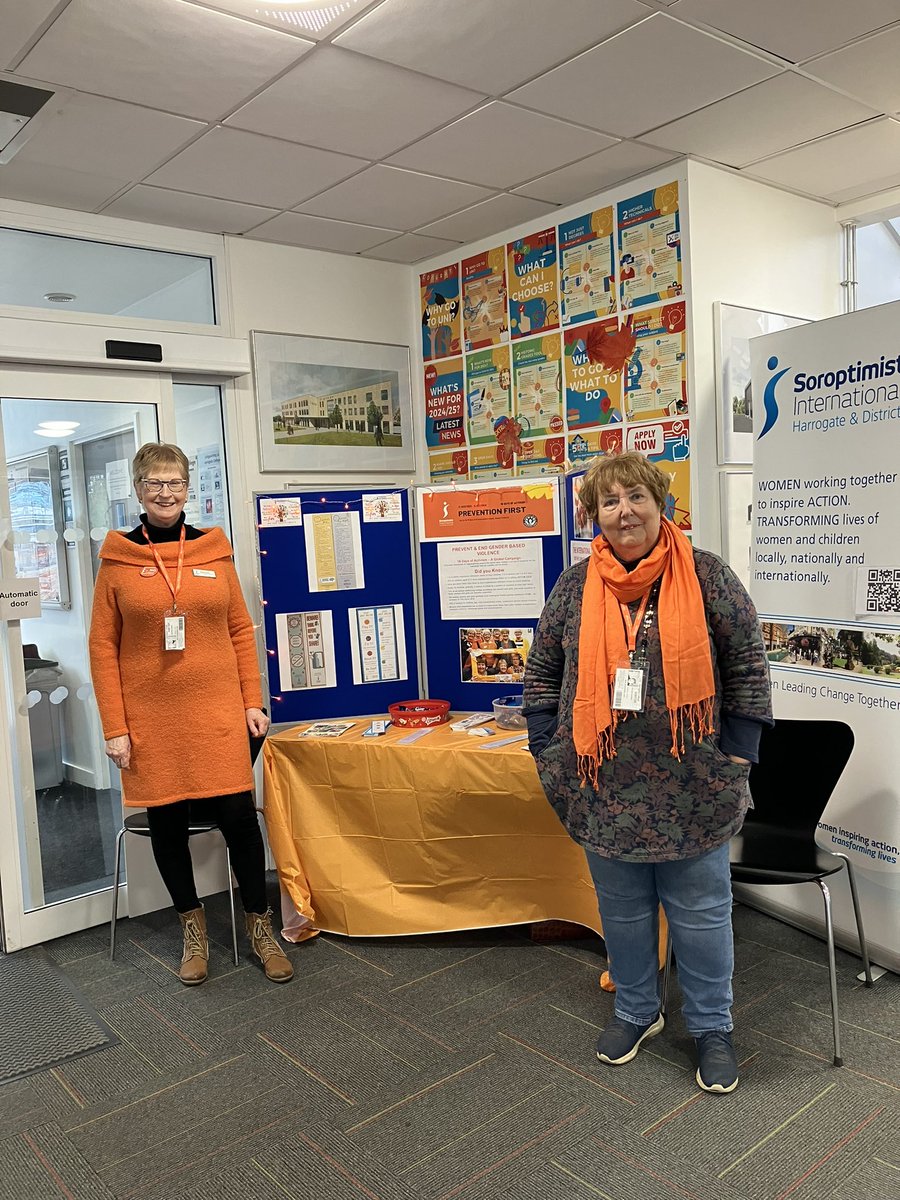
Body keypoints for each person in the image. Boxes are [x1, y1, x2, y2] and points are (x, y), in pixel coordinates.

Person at [524, 452, 771, 1094]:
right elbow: (543, 674)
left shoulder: (709, 577)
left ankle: (713, 1027)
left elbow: (747, 663)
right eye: (610, 501)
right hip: (603, 785)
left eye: (636, 496)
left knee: (701, 913)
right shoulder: (574, 589)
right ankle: (637, 1010)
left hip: (696, 784)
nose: (624, 511)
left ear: (660, 504)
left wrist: (737, 755)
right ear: (594, 516)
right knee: (625, 913)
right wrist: (548, 751)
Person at [89, 443, 293, 987]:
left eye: (174, 482)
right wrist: (115, 727)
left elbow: (239, 632)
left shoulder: (212, 550)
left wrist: (253, 699)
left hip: (218, 714)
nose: (165, 492)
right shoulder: (117, 560)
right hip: (150, 721)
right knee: (168, 825)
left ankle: (259, 926)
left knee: (240, 824)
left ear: (187, 487)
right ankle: (193, 930)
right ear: (137, 489)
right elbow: (102, 648)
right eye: (154, 483)